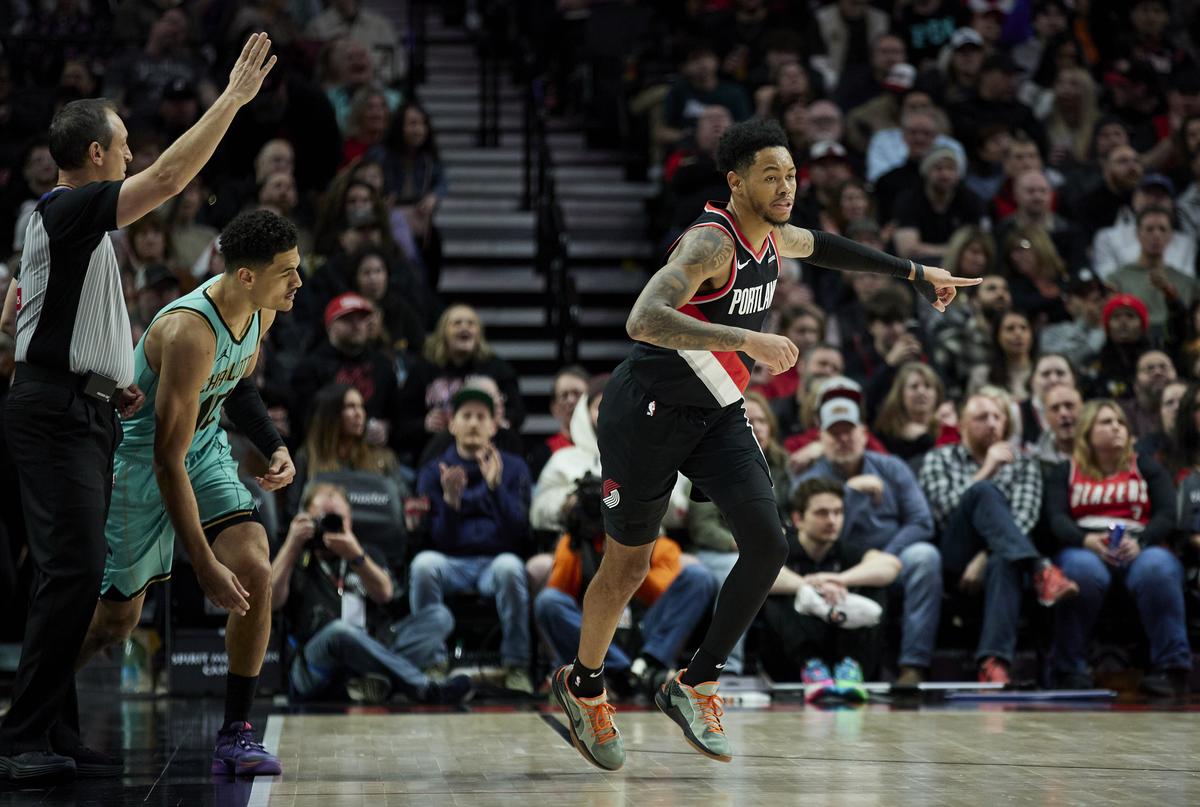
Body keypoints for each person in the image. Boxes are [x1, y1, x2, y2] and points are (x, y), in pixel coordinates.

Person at [550, 117, 979, 771]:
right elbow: (643, 317)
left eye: (792, 174)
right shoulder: (708, 243)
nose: (786, 186)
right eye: (770, 175)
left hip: (715, 412)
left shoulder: (774, 234)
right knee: (627, 567)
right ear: (736, 180)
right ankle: (583, 687)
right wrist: (747, 341)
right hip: (646, 413)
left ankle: (695, 681)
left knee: (769, 542)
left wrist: (917, 271)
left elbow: (830, 246)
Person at [0, 34, 277, 783]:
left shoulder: (69, 227)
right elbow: (174, 174)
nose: (130, 155)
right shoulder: (67, 209)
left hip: (83, 406)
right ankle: (20, 730)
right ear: (95, 154)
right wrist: (232, 101)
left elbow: (33, 315)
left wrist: (108, 374)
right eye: (122, 145)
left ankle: (53, 726)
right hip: (54, 411)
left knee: (74, 576)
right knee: (75, 573)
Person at [70, 207, 299, 780]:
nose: (298, 282)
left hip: (203, 449)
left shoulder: (262, 311)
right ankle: (31, 704)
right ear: (245, 275)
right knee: (116, 624)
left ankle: (236, 733)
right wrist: (202, 564)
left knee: (254, 569)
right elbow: (165, 459)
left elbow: (236, 381)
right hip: (144, 465)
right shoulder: (189, 331)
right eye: (286, 272)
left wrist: (272, 443)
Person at [918, 390, 1078, 684]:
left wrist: (986, 555)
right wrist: (988, 469)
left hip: (999, 557)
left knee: (1004, 562)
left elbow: (1024, 518)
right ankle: (1041, 570)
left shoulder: (1023, 463)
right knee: (982, 491)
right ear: (963, 424)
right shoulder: (938, 458)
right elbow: (943, 511)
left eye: (997, 417)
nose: (991, 424)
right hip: (955, 554)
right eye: (981, 418)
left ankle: (994, 664)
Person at [271, 482, 472, 704]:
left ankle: (370, 681)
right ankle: (424, 687)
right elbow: (271, 602)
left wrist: (355, 555)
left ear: (349, 520)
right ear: (306, 519)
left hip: (373, 647)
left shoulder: (366, 553)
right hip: (317, 663)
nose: (329, 526)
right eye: (322, 519)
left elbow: (385, 594)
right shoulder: (296, 558)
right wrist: (292, 544)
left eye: (337, 519)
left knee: (439, 616)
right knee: (339, 632)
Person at [1042, 401, 1190, 695]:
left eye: (1121, 422)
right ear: (1087, 432)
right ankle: (1068, 668)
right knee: (1082, 571)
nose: (1116, 428)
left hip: (1139, 546)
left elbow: (1167, 513)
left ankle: (1172, 668)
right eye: (1106, 422)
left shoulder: (1145, 465)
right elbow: (1055, 518)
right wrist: (1085, 540)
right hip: (1084, 545)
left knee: (1158, 568)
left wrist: (1143, 542)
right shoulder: (1066, 470)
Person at [795, 390, 941, 685]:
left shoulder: (892, 467)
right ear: (821, 438)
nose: (843, 439)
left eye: (849, 431)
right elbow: (819, 535)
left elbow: (922, 521)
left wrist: (888, 555)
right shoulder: (811, 480)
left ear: (863, 433)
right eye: (834, 433)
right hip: (839, 566)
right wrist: (851, 494)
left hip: (893, 556)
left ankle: (912, 666)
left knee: (925, 557)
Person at [536, 476, 717, 698]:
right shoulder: (575, 544)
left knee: (699, 577)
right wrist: (578, 546)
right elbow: (559, 597)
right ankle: (624, 672)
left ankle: (647, 664)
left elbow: (661, 595)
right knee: (548, 601)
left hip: (643, 632)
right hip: (596, 639)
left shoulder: (657, 544)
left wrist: (627, 560)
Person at [411, 388, 534, 694]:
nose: (474, 423)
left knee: (511, 567)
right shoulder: (433, 470)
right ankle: (432, 661)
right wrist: (451, 502)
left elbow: (520, 534)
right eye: (466, 416)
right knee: (424, 565)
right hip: (452, 561)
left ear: (494, 425)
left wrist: (495, 488)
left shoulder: (514, 468)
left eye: (482, 417)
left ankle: (516, 665)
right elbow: (437, 540)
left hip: (495, 561)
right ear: (452, 424)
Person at [756, 477, 900, 688]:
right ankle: (812, 668)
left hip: (841, 646)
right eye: (822, 513)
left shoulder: (845, 550)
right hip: (791, 658)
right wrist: (809, 586)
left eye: (838, 512)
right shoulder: (784, 549)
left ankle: (851, 668)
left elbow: (890, 565)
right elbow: (759, 572)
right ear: (798, 519)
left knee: (873, 586)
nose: (832, 520)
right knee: (777, 593)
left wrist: (840, 580)